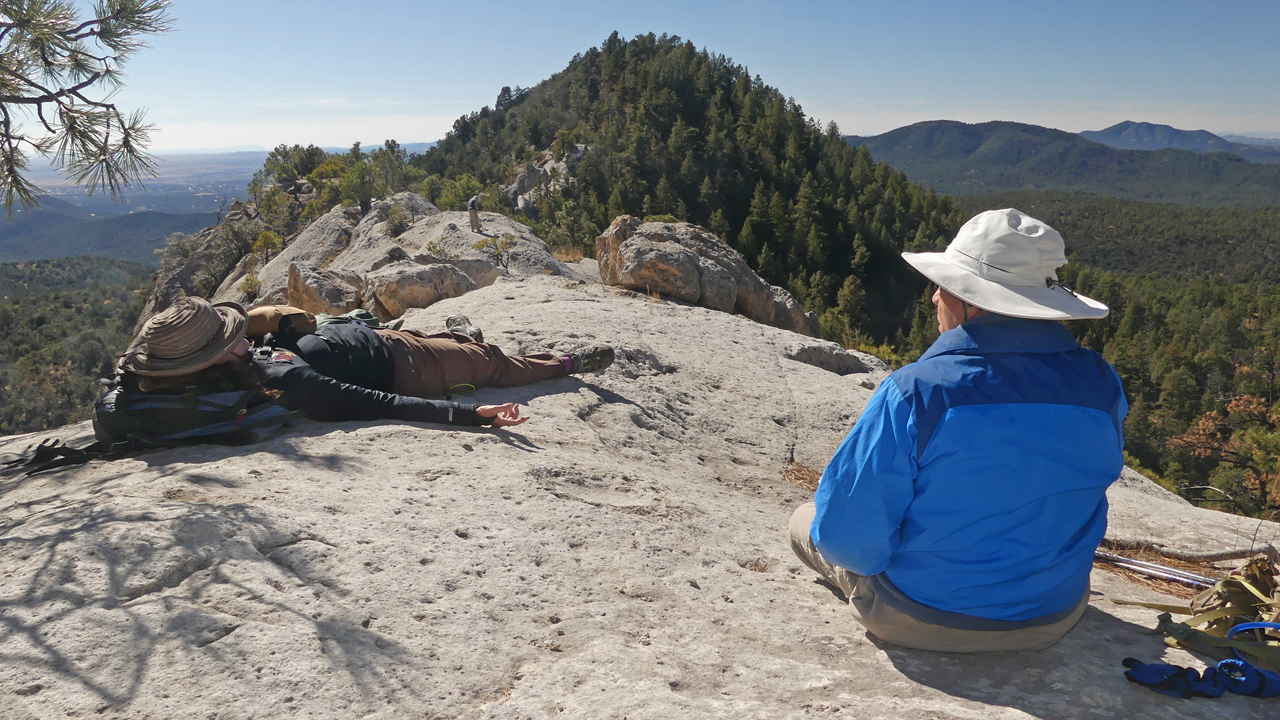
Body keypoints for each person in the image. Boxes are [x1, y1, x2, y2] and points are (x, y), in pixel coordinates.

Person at [789, 208, 1126, 653]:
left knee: (805, 520)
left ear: (975, 302)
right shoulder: (1102, 384)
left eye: (944, 287)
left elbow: (847, 543)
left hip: (924, 616)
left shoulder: (917, 392)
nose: (933, 298)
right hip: (1054, 614)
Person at [120, 298, 614, 429]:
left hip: (368, 341)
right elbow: (375, 402)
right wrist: (468, 415)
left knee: (435, 337)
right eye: (234, 340)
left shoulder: (189, 382)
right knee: (491, 363)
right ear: (220, 356)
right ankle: (564, 364)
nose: (243, 341)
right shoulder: (283, 378)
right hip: (404, 365)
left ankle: (455, 336)